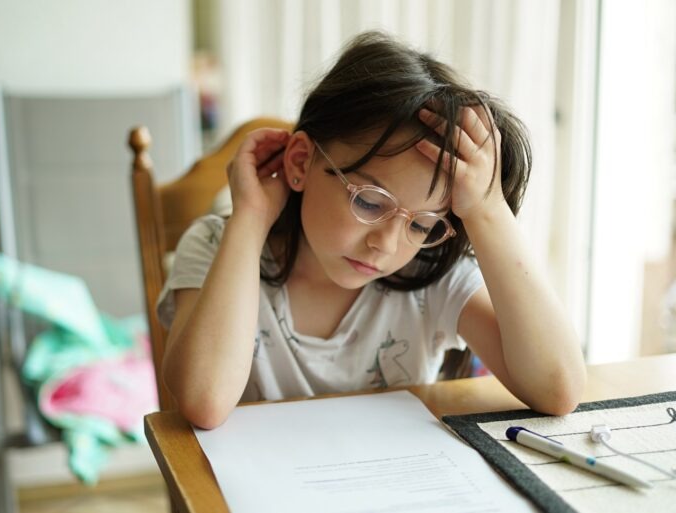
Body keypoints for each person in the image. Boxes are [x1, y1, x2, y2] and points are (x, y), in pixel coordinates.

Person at [158, 31, 586, 429]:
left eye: (422, 224)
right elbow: (203, 401)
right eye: (368, 201)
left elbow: (558, 389)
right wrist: (249, 219)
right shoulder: (218, 247)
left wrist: (488, 211)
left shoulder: (432, 275)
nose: (386, 243)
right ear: (301, 162)